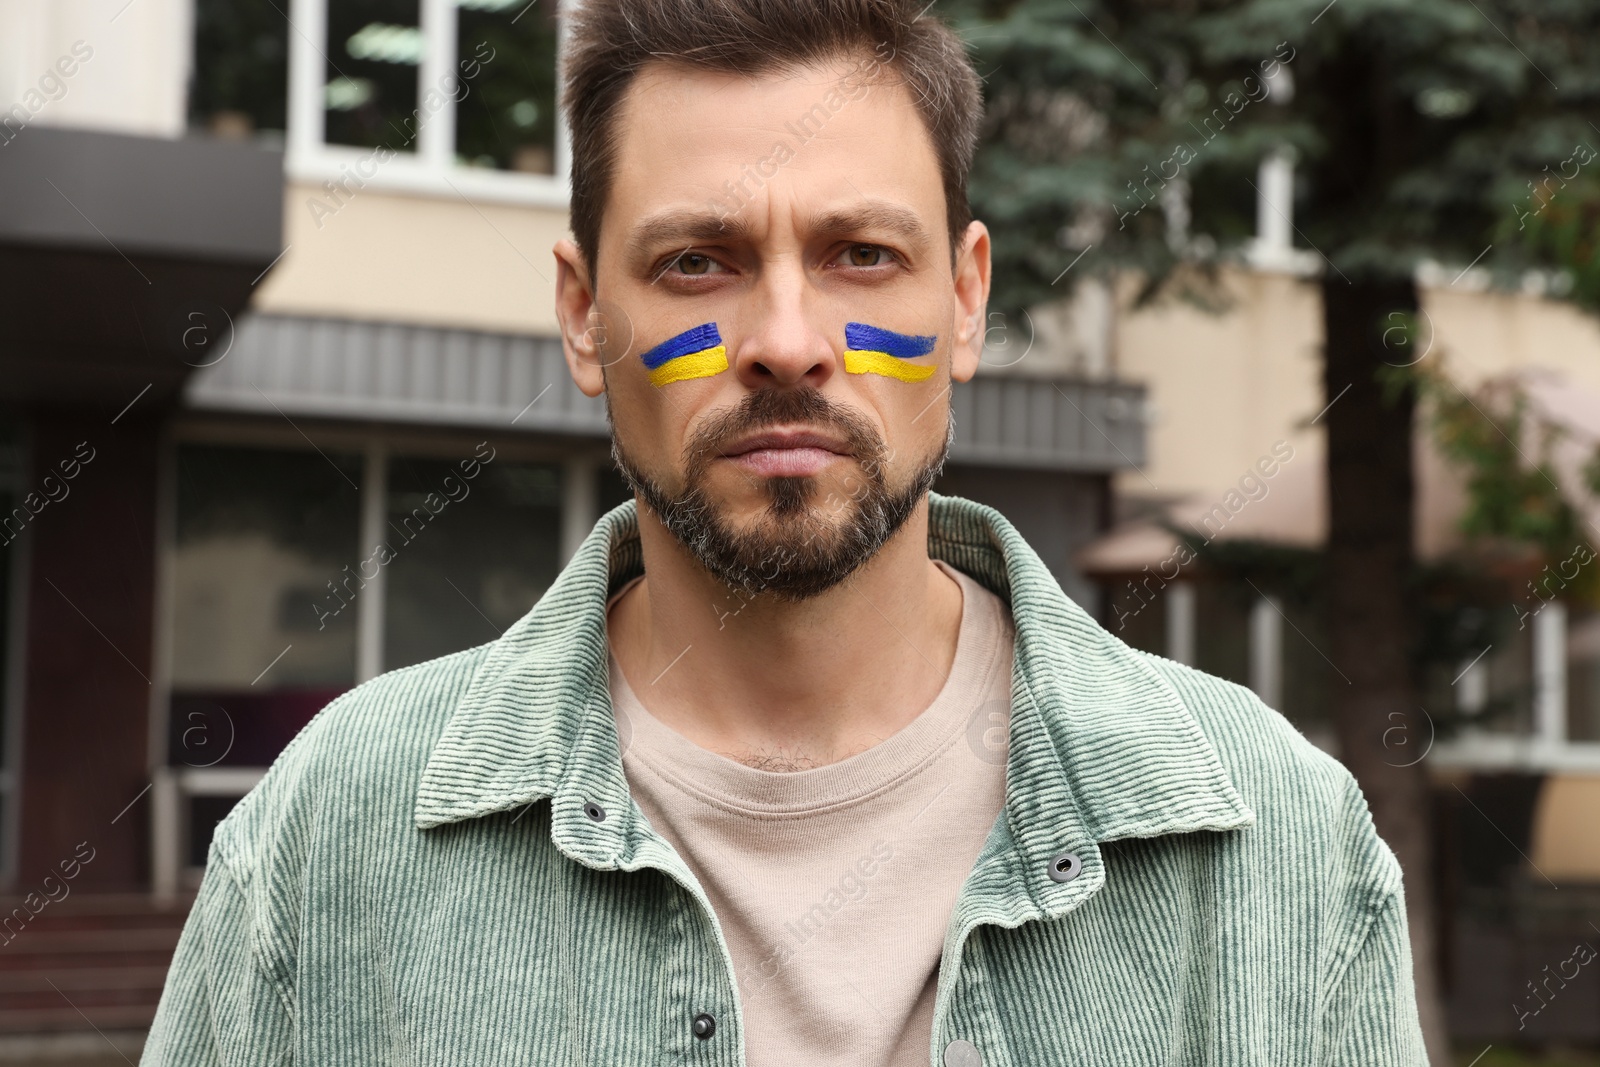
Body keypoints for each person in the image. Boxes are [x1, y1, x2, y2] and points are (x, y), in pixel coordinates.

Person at [143, 1, 1428, 1064]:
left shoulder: (1274, 847)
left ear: (967, 299)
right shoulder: (329, 844)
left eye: (861, 253)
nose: (787, 342)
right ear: (585, 317)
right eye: (698, 261)